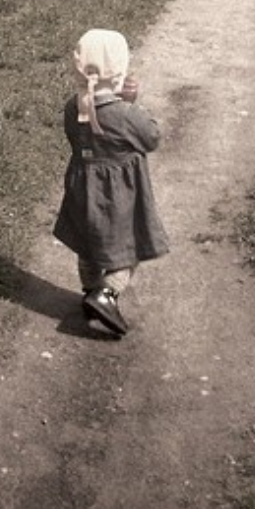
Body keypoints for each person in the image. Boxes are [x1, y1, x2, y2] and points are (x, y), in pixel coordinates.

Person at [53, 28, 169, 336]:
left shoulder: (72, 107)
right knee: (129, 249)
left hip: (82, 191)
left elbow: (77, 135)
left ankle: (90, 292)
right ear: (119, 72)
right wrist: (132, 103)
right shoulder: (125, 115)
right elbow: (152, 137)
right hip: (118, 196)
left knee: (88, 246)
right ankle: (106, 294)